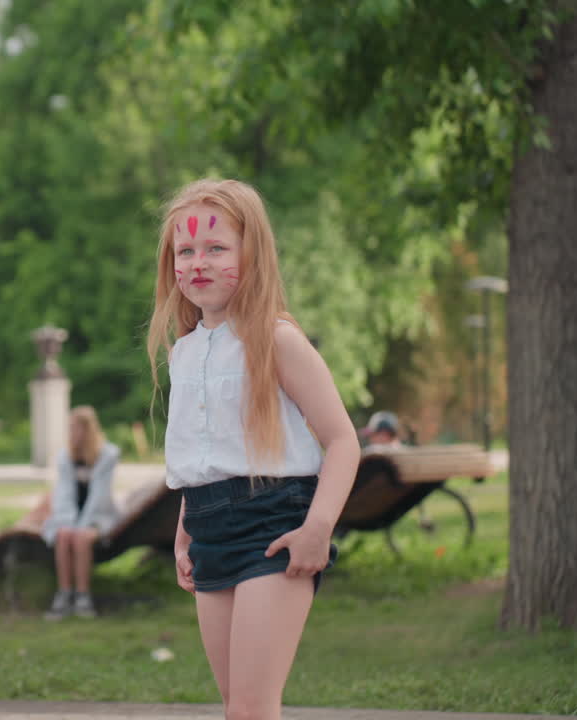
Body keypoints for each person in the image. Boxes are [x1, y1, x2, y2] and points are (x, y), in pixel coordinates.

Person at [146, 178, 359, 719]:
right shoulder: (184, 353)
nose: (199, 262)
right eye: (186, 250)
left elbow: (342, 441)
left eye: (216, 248)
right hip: (209, 532)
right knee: (233, 707)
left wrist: (318, 528)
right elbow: (200, 456)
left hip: (274, 525)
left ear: (252, 253)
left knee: (252, 710)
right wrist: (184, 534)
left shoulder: (277, 339)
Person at [42, 406, 121, 620]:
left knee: (82, 537)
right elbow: (64, 493)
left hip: (98, 517)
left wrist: (83, 525)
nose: (72, 433)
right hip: (70, 515)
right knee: (63, 534)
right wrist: (68, 523)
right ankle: (64, 594)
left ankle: (83, 596)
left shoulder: (107, 455)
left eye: (76, 428)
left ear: (88, 430)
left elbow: (99, 496)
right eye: (70, 428)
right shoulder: (65, 457)